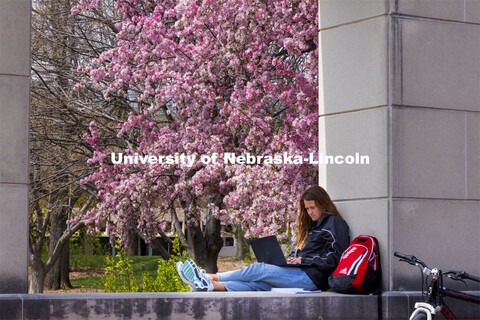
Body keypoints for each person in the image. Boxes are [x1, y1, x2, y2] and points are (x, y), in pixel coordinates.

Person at [176, 185, 350, 292]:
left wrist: (304, 259)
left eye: (312, 208)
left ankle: (209, 276)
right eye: (307, 209)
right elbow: (301, 253)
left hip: (312, 278)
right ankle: (208, 287)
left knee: (258, 270)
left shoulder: (335, 224)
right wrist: (290, 258)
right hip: (299, 272)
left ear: (323, 204)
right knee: (258, 284)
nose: (310, 212)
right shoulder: (312, 227)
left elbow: (337, 258)